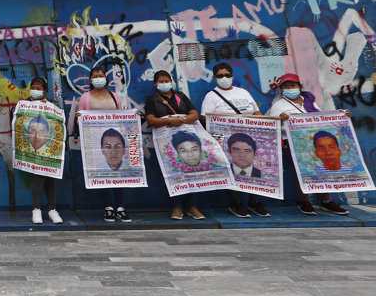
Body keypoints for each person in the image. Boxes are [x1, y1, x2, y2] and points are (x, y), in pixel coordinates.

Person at [270, 73, 350, 215]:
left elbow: (319, 117)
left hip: (313, 139)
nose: (290, 88)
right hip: (291, 141)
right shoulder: (278, 105)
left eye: (293, 85)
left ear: (299, 87)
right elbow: (271, 126)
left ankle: (326, 200)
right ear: (282, 89)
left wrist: (342, 115)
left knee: (320, 168)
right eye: (286, 86)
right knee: (302, 169)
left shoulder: (309, 100)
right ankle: (304, 201)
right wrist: (280, 120)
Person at [200, 62, 269, 218]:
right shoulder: (211, 96)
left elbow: (256, 112)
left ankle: (254, 201)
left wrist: (267, 125)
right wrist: (230, 120)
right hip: (228, 140)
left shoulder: (243, 92)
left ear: (232, 75)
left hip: (251, 138)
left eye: (227, 75)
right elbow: (205, 118)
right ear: (214, 77)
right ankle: (235, 202)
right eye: (220, 76)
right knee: (232, 169)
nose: (224, 78)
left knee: (254, 168)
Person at [73, 66, 136, 223]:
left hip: (114, 140)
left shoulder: (115, 96)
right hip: (95, 141)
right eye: (95, 76)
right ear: (91, 80)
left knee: (119, 172)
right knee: (101, 172)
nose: (98, 78)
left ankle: (120, 208)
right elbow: (79, 120)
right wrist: (79, 117)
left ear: (105, 78)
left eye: (101, 75)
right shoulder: (85, 98)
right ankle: (108, 207)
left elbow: (121, 116)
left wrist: (133, 116)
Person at [145, 70, 204, 221]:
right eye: (161, 81)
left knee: (192, 171)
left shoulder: (181, 96)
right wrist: (169, 121)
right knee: (174, 171)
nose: (164, 83)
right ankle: (177, 207)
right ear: (156, 84)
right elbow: (151, 120)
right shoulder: (152, 99)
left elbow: (194, 115)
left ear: (171, 82)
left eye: (167, 80)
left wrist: (182, 120)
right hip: (167, 142)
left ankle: (192, 206)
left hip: (189, 140)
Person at [13, 77, 64, 225]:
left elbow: (60, 119)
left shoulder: (52, 104)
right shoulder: (24, 104)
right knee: (37, 179)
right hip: (31, 148)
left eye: (38, 88)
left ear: (45, 90)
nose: (35, 91)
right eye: (33, 88)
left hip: (48, 148)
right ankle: (36, 209)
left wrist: (47, 105)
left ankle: (52, 210)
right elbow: (15, 116)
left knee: (51, 178)